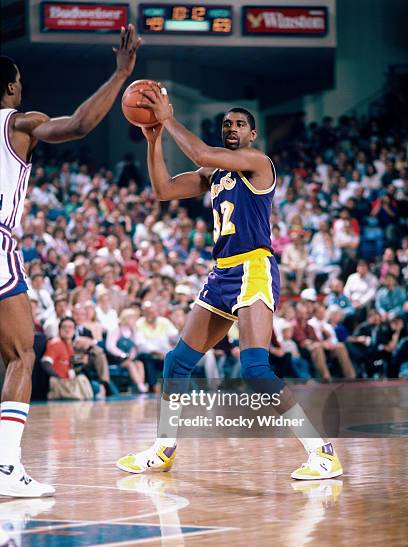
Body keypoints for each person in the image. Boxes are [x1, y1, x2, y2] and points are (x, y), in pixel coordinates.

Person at [116, 87, 343, 481]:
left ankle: (321, 450)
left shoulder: (258, 162)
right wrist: (153, 142)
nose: (232, 128)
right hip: (222, 272)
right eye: (226, 124)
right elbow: (163, 190)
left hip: (253, 266)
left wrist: (167, 117)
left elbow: (202, 153)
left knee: (255, 368)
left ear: (252, 135)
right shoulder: (214, 173)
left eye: (240, 124)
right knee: (177, 362)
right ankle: (163, 449)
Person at [0, 25, 140, 497]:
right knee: (21, 355)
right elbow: (79, 124)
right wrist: (120, 75)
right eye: (18, 80)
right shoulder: (18, 123)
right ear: (12, 88)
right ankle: (5, 467)